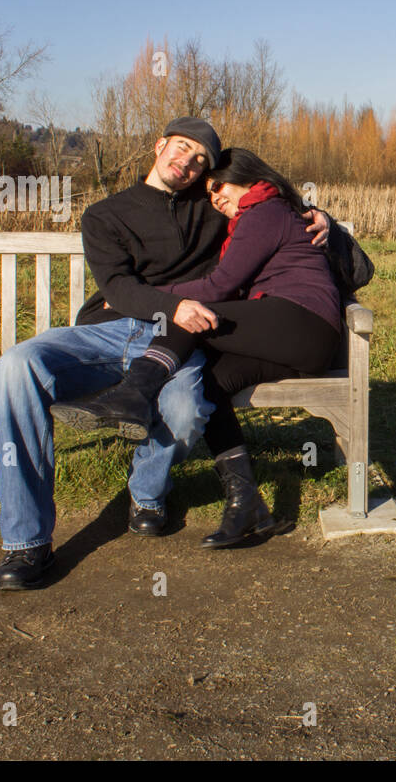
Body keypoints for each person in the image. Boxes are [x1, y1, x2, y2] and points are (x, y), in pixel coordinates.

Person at [0, 118, 331, 591]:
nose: (188, 163)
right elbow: (119, 289)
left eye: (200, 160)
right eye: (183, 148)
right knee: (15, 366)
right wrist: (174, 305)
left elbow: (270, 210)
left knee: (188, 409)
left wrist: (323, 218)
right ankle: (26, 542)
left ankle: (147, 496)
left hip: (182, 335)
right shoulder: (104, 215)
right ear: (159, 146)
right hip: (113, 331)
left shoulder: (214, 207)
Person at [51, 148, 344, 549]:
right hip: (286, 336)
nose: (216, 198)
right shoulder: (249, 218)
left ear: (248, 178)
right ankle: (247, 505)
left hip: (303, 322)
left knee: (193, 315)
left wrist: (135, 298)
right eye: (209, 193)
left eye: (219, 186)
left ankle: (134, 393)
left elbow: (218, 287)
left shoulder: (266, 212)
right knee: (210, 384)